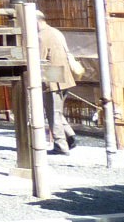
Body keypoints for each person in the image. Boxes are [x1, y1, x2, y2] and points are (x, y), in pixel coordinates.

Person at [38, 11, 84, 153]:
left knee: (53, 113)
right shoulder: (56, 32)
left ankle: (60, 146)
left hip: (52, 75)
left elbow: (39, 59)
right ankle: (70, 136)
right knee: (57, 111)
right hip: (64, 74)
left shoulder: (41, 36)